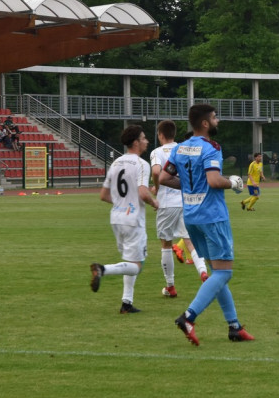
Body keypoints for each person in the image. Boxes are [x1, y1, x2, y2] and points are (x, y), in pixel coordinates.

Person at [158, 103, 255, 345]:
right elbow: (213, 181)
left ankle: (234, 327)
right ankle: (188, 317)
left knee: (216, 271)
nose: (217, 121)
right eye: (214, 117)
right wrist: (233, 182)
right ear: (204, 123)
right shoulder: (211, 148)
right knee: (224, 272)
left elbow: (164, 178)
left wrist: (192, 187)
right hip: (212, 216)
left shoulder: (180, 148)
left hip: (191, 216)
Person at [90, 125, 159, 313]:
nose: (146, 141)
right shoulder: (141, 164)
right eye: (144, 138)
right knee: (137, 266)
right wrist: (154, 203)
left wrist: (121, 202)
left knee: (129, 262)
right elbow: (143, 193)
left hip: (116, 219)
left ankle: (126, 303)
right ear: (136, 142)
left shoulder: (116, 163)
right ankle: (103, 269)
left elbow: (104, 195)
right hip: (133, 219)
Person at [150, 120, 208, 298]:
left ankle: (170, 286)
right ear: (174, 134)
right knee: (190, 240)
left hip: (167, 203)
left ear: (160, 134)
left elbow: (156, 171)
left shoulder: (157, 152)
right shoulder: (183, 148)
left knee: (166, 244)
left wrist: (157, 189)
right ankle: (203, 273)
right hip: (186, 200)